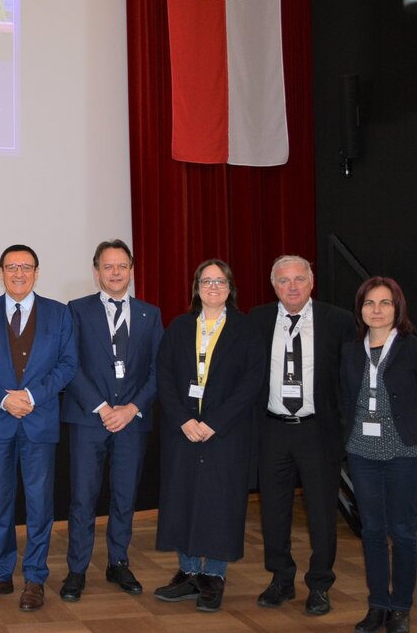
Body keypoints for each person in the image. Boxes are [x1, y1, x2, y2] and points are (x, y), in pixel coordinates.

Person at [0, 244, 78, 612]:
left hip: (39, 419)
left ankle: (35, 578)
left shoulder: (59, 314)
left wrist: (30, 395)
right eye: (11, 267)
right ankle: (0, 575)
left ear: (37, 272)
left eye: (25, 267)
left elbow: (67, 366)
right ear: (0, 272)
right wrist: (4, 398)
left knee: (39, 505)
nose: (18, 273)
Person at [154, 259, 264, 613]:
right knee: (183, 498)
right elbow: (165, 376)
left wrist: (214, 422)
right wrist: (184, 419)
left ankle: (213, 577)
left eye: (220, 281)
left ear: (230, 288)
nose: (213, 287)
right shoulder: (179, 327)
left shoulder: (246, 330)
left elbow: (251, 382)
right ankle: (187, 573)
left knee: (220, 502)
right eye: (206, 281)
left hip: (225, 433)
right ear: (196, 287)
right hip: (181, 431)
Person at [249, 255, 356, 616]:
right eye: (284, 280)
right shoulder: (258, 319)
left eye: (299, 279)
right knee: (274, 511)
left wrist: (345, 430)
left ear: (312, 283)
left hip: (317, 431)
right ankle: (280, 579)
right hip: (273, 429)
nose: (292, 286)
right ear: (273, 285)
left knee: (322, 513)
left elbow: (350, 380)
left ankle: (320, 584)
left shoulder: (338, 321)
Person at [59, 240, 163, 602]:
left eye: (122, 266)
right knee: (83, 498)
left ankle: (118, 561)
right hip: (90, 420)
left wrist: (131, 409)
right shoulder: (76, 311)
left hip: (132, 422)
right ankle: (76, 569)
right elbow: (70, 365)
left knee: (124, 497)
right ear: (96, 271)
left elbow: (157, 371)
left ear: (131, 269)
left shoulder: (151, 313)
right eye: (108, 266)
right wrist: (103, 408)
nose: (115, 272)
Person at [341, 277, 417, 633]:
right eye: (369, 303)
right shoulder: (351, 349)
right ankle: (377, 604)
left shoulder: (414, 348)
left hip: (403, 453)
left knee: (403, 532)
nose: (376, 310)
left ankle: (401, 608)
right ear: (360, 309)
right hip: (362, 453)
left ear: (398, 309)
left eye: (384, 303)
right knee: (373, 531)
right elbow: (346, 398)